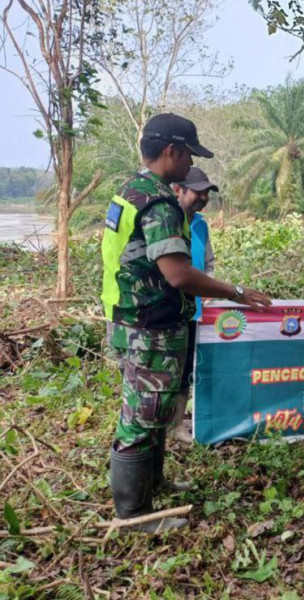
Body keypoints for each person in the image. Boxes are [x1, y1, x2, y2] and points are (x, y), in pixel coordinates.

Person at [101, 113, 272, 533]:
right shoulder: (158, 201)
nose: (189, 164)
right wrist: (235, 292)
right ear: (172, 151)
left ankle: (152, 484)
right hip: (150, 326)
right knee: (140, 417)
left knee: (155, 411)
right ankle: (133, 515)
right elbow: (178, 274)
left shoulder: (131, 190)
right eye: (188, 154)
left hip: (133, 318)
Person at [170, 167, 219, 443]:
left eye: (206, 192)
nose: (203, 196)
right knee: (166, 370)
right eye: (197, 191)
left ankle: (177, 425)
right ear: (178, 189)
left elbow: (208, 263)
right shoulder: (166, 221)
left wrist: (208, 287)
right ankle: (158, 425)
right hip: (168, 311)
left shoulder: (200, 225)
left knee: (186, 368)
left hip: (195, 311)